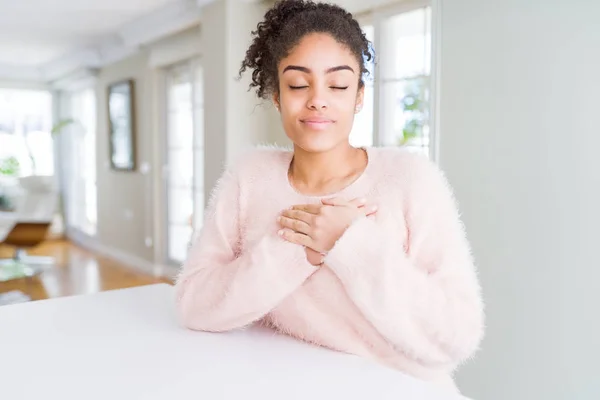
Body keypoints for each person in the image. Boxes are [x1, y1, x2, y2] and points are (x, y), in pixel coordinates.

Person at [175, 0, 484, 393]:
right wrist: (298, 250)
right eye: (298, 84)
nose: (318, 99)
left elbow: (456, 334)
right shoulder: (248, 177)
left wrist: (351, 243)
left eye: (338, 85)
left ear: (358, 96)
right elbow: (194, 304)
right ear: (276, 95)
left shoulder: (410, 180)